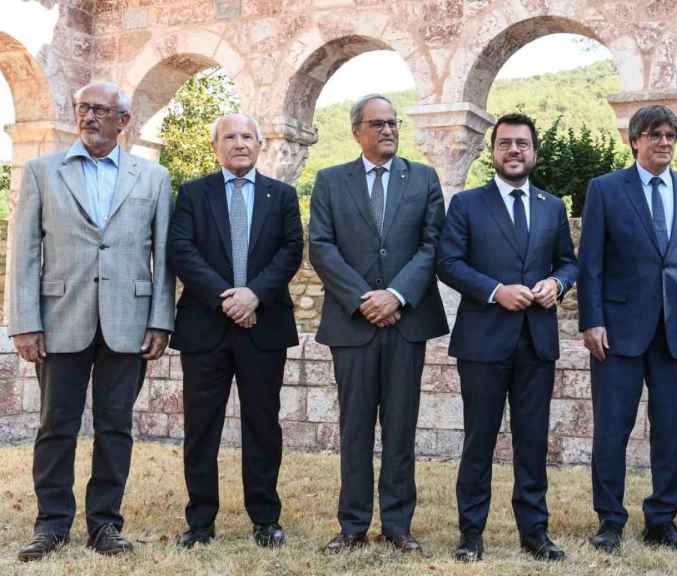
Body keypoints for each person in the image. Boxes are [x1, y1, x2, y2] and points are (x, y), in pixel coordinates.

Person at [9, 81, 175, 561]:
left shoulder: (153, 178)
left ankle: (105, 525)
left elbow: (163, 256)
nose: (89, 117)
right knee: (55, 425)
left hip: (130, 320)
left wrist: (160, 319)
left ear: (124, 121)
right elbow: (23, 254)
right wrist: (24, 321)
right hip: (59, 318)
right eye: (83, 108)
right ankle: (51, 525)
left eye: (101, 110)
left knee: (115, 426)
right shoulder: (42, 172)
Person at [308, 94, 449, 554]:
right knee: (354, 429)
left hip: (406, 322)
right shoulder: (330, 181)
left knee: (401, 428)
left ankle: (397, 525)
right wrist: (363, 298)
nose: (388, 130)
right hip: (353, 324)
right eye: (377, 123)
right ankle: (351, 525)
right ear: (356, 131)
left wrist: (396, 296)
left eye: (393, 122)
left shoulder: (424, 178)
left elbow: (431, 246)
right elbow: (322, 248)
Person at [437, 113, 577, 562]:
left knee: (532, 441)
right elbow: (449, 263)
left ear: (534, 152)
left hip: (537, 341)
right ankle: (471, 533)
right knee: (478, 440)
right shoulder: (466, 205)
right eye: (505, 144)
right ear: (492, 152)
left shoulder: (553, 206)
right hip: (482, 342)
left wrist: (558, 284)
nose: (514, 151)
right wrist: (496, 291)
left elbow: (568, 262)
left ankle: (534, 531)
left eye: (522, 143)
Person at [577, 105, 677, 552]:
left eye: (670, 136)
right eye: (655, 135)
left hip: (676, 331)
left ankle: (662, 519)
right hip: (616, 332)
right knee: (612, 428)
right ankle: (610, 520)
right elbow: (590, 263)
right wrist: (591, 320)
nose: (664, 143)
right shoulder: (605, 190)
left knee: (671, 428)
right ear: (634, 140)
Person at [167, 113, 303, 549]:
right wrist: (227, 296)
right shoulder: (192, 193)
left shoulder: (280, 195)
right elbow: (181, 250)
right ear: (216, 146)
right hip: (206, 325)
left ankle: (265, 518)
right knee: (201, 426)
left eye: (247, 136)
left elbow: (291, 250)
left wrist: (253, 296)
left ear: (260, 145)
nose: (239, 143)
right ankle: (200, 522)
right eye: (230, 137)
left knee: (263, 424)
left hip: (263, 325)